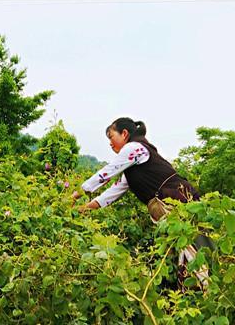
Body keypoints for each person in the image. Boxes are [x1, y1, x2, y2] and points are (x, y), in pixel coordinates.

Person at [70, 117, 210, 291]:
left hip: (177, 202)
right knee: (183, 253)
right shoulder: (132, 167)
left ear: (125, 134)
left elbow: (107, 173)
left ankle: (205, 292)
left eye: (112, 137)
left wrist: (76, 195)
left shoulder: (134, 148)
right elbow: (112, 194)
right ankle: (189, 295)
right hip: (171, 208)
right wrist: (84, 208)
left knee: (192, 251)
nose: (111, 144)